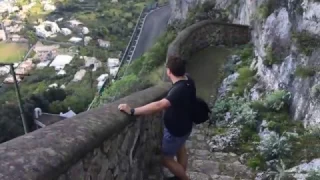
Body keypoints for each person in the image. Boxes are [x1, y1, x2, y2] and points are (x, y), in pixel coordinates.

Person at [118, 56, 196, 180]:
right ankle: (180, 173)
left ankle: (184, 178)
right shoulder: (188, 80)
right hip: (186, 125)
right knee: (181, 147)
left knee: (165, 158)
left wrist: (133, 111)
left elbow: (160, 104)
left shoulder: (178, 90)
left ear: (169, 71)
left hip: (175, 130)